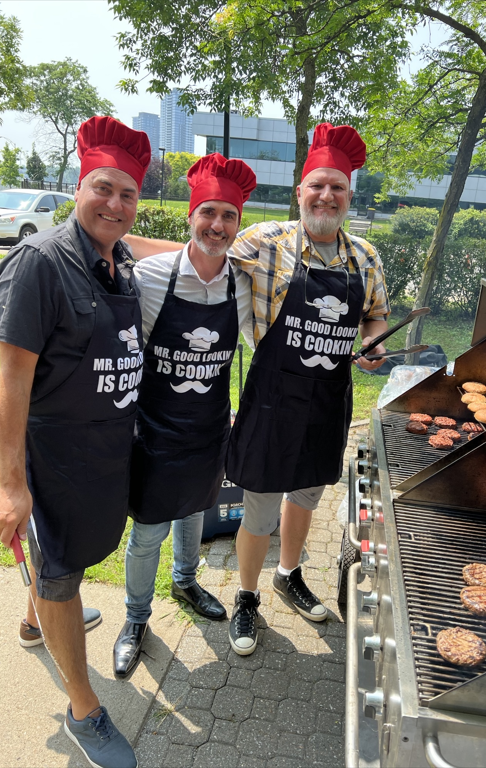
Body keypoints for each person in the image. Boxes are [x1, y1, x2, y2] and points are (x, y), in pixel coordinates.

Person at [125, 123, 389, 657]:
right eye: (318, 184)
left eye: (337, 186)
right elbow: (205, 247)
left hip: (327, 405)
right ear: (301, 191)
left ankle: (289, 574)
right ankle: (247, 595)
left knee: (307, 496)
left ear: (349, 195)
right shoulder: (265, 242)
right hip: (270, 406)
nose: (327, 195)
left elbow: (376, 315)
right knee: (259, 509)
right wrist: (127, 246)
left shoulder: (365, 257)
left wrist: (375, 344)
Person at [0, 116, 150, 768]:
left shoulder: (118, 263)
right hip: (51, 456)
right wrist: (10, 483)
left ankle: (36, 625)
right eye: (104, 188)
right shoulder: (40, 263)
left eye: (128, 195)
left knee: (73, 557)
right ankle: (84, 710)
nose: (115, 204)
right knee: (61, 573)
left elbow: (148, 242)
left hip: (103, 452)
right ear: (76, 185)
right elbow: (9, 376)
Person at [113, 153, 256, 678]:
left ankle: (186, 579)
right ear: (191, 216)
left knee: (195, 510)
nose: (217, 226)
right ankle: (135, 618)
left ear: (239, 225)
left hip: (209, 427)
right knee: (147, 530)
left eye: (229, 216)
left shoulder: (243, 285)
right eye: (208, 213)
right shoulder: (149, 278)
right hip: (153, 430)